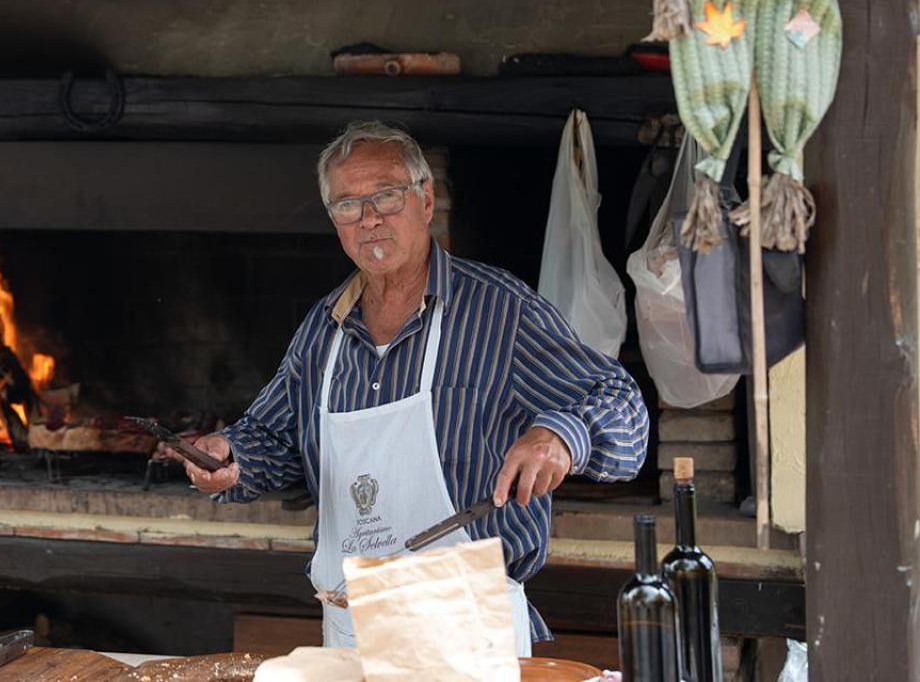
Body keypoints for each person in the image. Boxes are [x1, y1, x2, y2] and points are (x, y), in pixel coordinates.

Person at [181, 121, 649, 651]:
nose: (370, 218)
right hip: (351, 624)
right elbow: (273, 440)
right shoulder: (323, 328)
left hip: (466, 626)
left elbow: (622, 404)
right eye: (348, 205)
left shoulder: (499, 310)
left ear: (426, 199)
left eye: (385, 195)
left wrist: (561, 436)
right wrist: (228, 459)